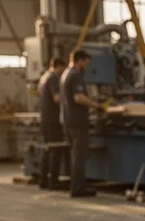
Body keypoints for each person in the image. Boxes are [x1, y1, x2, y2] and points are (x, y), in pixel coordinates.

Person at [60, 49, 103, 198]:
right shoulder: (75, 75)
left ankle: (77, 185)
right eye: (85, 62)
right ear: (80, 60)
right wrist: (97, 106)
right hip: (78, 122)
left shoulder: (65, 74)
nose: (86, 65)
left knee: (75, 155)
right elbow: (78, 98)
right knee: (79, 156)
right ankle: (78, 188)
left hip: (68, 121)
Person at [37, 56, 68, 189]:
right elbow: (57, 98)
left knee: (47, 149)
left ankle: (43, 179)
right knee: (55, 150)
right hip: (53, 120)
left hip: (45, 119)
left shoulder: (43, 77)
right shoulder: (54, 78)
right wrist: (69, 99)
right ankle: (53, 181)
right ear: (59, 67)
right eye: (63, 69)